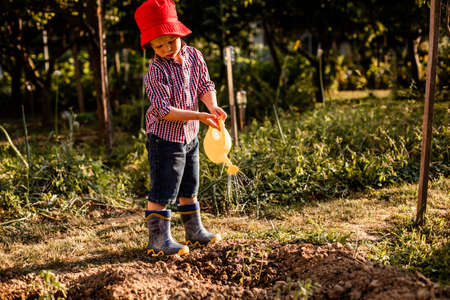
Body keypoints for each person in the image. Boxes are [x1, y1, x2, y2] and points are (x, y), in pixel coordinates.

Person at [135, 0, 227, 256]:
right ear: (150, 45)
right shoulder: (154, 72)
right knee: (164, 187)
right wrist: (198, 115)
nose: (165, 48)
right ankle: (158, 239)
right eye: (158, 45)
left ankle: (194, 232)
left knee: (189, 185)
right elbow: (164, 111)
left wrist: (212, 107)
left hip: (189, 136)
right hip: (164, 139)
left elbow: (205, 86)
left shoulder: (194, 56)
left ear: (179, 34)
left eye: (170, 42)